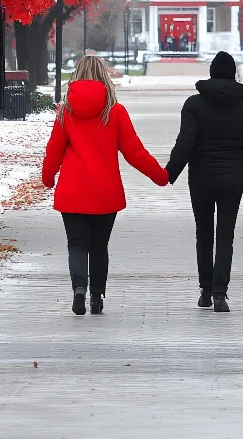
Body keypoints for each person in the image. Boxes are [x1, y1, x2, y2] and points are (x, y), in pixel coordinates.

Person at [42, 55, 168, 316]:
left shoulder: (66, 111)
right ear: (105, 77)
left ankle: (79, 289)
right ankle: (97, 297)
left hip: (73, 190)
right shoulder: (115, 111)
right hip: (104, 190)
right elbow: (134, 152)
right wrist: (160, 175)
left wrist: (48, 176)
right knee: (99, 246)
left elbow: (54, 151)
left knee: (77, 244)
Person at [166, 51, 243, 313]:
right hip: (233, 176)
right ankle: (221, 293)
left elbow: (185, 143)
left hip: (200, 176)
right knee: (225, 235)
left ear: (211, 72)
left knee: (204, 233)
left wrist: (169, 172)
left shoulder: (194, 105)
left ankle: (205, 290)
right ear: (233, 73)